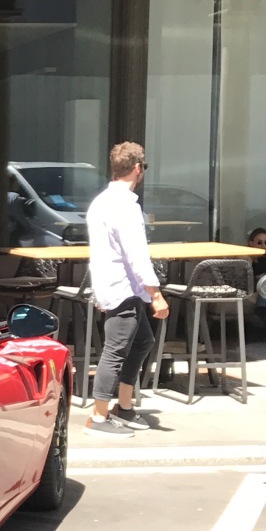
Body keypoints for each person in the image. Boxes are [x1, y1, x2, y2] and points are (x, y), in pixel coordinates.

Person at [83, 141, 169, 437]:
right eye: (142, 167)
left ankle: (124, 406)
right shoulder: (124, 207)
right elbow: (136, 255)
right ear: (136, 169)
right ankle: (98, 417)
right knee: (115, 351)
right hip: (122, 286)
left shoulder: (103, 202)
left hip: (118, 286)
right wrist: (155, 294)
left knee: (142, 340)